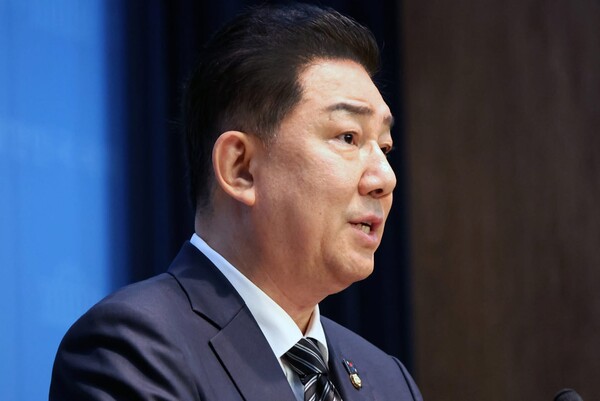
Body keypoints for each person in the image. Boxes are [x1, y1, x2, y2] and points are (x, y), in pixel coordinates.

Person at [49, 3, 423, 400]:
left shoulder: (389, 382)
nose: (385, 178)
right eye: (348, 137)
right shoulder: (132, 349)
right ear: (240, 167)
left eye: (384, 147)